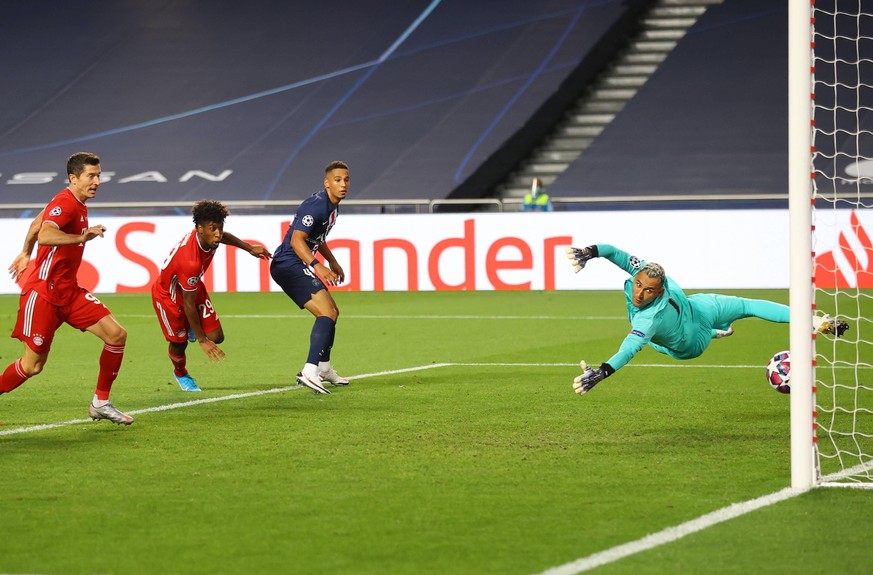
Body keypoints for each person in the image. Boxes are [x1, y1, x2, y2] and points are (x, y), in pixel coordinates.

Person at [565, 243, 850, 396]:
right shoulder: (643, 275)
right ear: (635, 277)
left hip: (693, 337)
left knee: (747, 306)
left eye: (649, 290)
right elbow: (616, 253)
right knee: (744, 307)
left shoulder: (647, 320)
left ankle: (814, 321)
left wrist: (602, 372)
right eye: (638, 285)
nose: (640, 293)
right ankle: (718, 332)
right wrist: (590, 252)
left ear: (660, 290)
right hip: (696, 310)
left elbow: (628, 349)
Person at [2, 152, 133, 424]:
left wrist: (25, 252)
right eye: (91, 176)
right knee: (33, 365)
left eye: (99, 175)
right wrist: (81, 237)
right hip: (44, 296)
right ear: (73, 178)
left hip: (69, 292)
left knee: (116, 335)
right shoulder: (67, 202)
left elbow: (38, 224)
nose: (97, 181)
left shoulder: (75, 202)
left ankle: (100, 402)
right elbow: (47, 233)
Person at [152, 200, 271, 392]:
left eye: (220, 228)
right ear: (200, 229)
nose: (218, 234)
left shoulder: (207, 236)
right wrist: (201, 340)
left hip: (192, 287)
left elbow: (223, 238)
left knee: (216, 336)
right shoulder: (191, 261)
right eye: (213, 229)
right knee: (178, 343)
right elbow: (188, 304)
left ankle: (192, 327)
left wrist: (249, 248)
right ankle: (181, 373)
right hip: (169, 297)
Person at [270, 161, 351, 395]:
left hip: (293, 263)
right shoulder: (316, 206)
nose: (343, 184)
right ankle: (310, 370)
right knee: (327, 313)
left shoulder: (332, 207)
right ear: (327, 183)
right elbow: (297, 240)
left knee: (332, 312)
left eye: (346, 179)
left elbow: (317, 238)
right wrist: (317, 265)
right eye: (337, 180)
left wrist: (332, 261)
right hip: (288, 263)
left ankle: (324, 370)